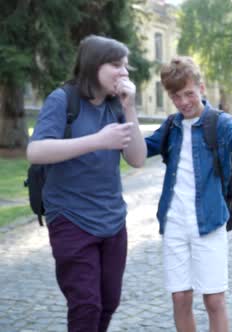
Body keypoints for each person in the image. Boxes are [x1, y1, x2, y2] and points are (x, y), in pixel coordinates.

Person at [26, 35, 146, 332]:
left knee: (108, 302)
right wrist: (97, 141)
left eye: (126, 67)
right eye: (116, 65)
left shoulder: (116, 106)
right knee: (85, 305)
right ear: (94, 65)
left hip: (113, 220)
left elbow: (138, 159)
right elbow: (36, 151)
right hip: (70, 218)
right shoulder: (62, 100)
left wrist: (130, 109)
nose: (124, 73)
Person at [144, 56, 232, 332]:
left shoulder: (218, 122)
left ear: (201, 88)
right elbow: (140, 150)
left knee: (214, 300)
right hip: (174, 221)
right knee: (180, 297)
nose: (184, 101)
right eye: (176, 96)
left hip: (209, 221)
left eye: (188, 93)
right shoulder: (172, 126)